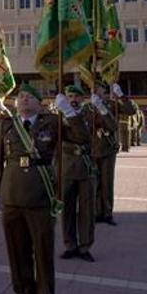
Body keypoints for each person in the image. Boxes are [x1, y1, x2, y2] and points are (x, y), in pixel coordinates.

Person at [0, 84, 89, 294]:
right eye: (20, 97)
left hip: (41, 197)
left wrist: (70, 113)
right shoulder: (7, 125)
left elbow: (82, 138)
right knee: (17, 251)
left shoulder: (52, 122)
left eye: (29, 97)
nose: (23, 100)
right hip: (12, 196)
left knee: (43, 251)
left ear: (39, 102)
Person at [60, 85, 102, 262]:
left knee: (87, 210)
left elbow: (110, 127)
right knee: (67, 210)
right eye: (70, 96)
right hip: (67, 168)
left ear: (83, 99)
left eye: (77, 96)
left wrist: (102, 107)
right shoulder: (58, 116)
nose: (73, 99)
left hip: (86, 168)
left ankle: (85, 246)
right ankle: (70, 244)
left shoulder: (90, 114)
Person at [91, 83, 136, 226]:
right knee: (95, 183)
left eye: (99, 89)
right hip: (92, 148)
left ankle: (107, 213)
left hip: (108, 148)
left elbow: (131, 111)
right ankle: (97, 212)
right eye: (94, 90)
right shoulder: (88, 107)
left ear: (104, 91)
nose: (97, 92)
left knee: (107, 182)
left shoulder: (112, 104)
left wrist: (121, 95)